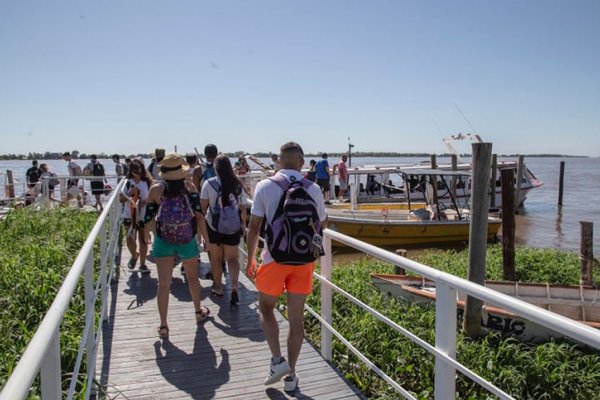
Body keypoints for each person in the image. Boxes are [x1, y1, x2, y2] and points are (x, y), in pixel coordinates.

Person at [245, 142, 327, 393]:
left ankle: (277, 360)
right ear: (301, 162)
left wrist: (250, 258)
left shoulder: (265, 186)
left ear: (279, 161)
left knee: (266, 308)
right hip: (303, 261)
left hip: (274, 259)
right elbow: (322, 223)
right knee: (296, 318)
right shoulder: (313, 188)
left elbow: (254, 227)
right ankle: (291, 375)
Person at [143, 153, 209, 339]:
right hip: (187, 240)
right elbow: (199, 215)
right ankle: (198, 312)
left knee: (163, 284)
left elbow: (148, 217)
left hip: (163, 241)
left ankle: (164, 326)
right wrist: (205, 239)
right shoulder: (190, 187)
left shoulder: (156, 189)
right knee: (193, 279)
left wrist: (148, 234)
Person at [200, 155, 247, 306]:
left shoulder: (209, 184)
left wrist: (202, 233)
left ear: (215, 168)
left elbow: (203, 209)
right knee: (232, 259)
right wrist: (243, 226)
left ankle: (219, 288)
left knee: (215, 259)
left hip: (213, 227)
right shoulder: (237, 185)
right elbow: (243, 208)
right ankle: (234, 288)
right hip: (233, 228)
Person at [120, 159, 153, 274]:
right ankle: (134, 255)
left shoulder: (147, 182)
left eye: (139, 170)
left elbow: (153, 197)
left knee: (143, 240)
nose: (137, 173)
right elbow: (121, 199)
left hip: (143, 216)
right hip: (129, 215)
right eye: (134, 171)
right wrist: (129, 193)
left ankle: (143, 264)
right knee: (130, 240)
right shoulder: (127, 183)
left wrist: (146, 202)